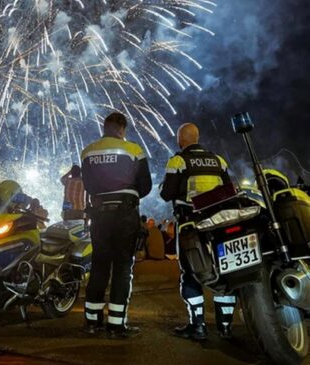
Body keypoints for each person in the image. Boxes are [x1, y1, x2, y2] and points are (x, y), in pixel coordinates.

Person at [160, 122, 236, 340]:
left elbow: (167, 194)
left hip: (190, 226)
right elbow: (227, 190)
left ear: (181, 140)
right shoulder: (218, 160)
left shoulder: (178, 161)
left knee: (190, 273)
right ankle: (225, 327)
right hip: (219, 224)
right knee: (224, 272)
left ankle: (198, 325)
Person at [81, 112, 152, 338]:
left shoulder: (88, 151)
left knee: (99, 265)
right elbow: (146, 184)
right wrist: (129, 195)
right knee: (122, 267)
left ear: (104, 127)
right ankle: (116, 325)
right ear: (122, 129)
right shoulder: (133, 150)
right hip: (124, 214)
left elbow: (89, 185)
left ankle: (91, 322)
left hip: (99, 214)